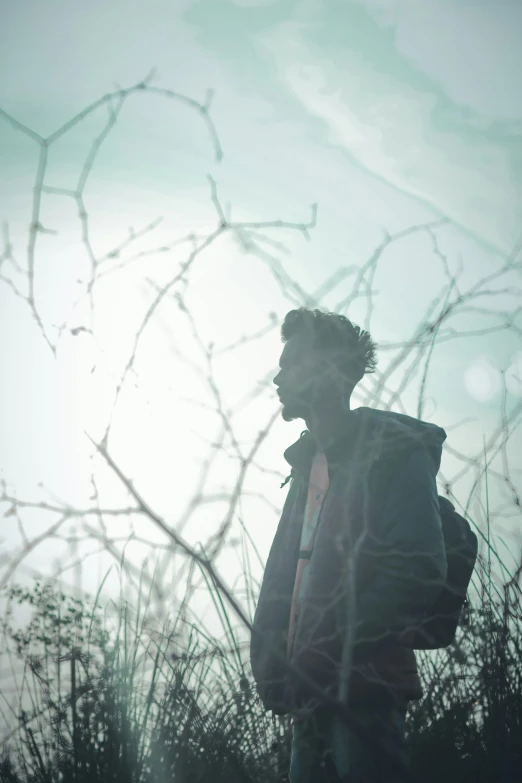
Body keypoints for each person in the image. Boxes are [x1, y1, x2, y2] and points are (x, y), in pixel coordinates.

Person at [249, 308, 448, 782]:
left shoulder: (395, 452)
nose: (278, 376)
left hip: (366, 697)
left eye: (292, 362)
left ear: (330, 370)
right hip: (307, 697)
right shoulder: (306, 465)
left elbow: (418, 567)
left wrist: (332, 650)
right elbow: (291, 580)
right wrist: (275, 663)